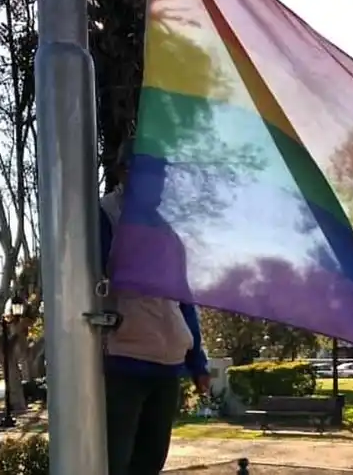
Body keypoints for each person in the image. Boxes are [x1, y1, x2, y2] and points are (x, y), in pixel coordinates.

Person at [99, 141, 211, 475]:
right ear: (125, 172)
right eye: (153, 174)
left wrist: (197, 362)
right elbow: (99, 276)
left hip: (167, 363)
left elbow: (183, 298)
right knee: (115, 464)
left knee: (150, 464)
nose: (161, 182)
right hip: (124, 359)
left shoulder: (167, 231)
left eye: (162, 174)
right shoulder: (106, 215)